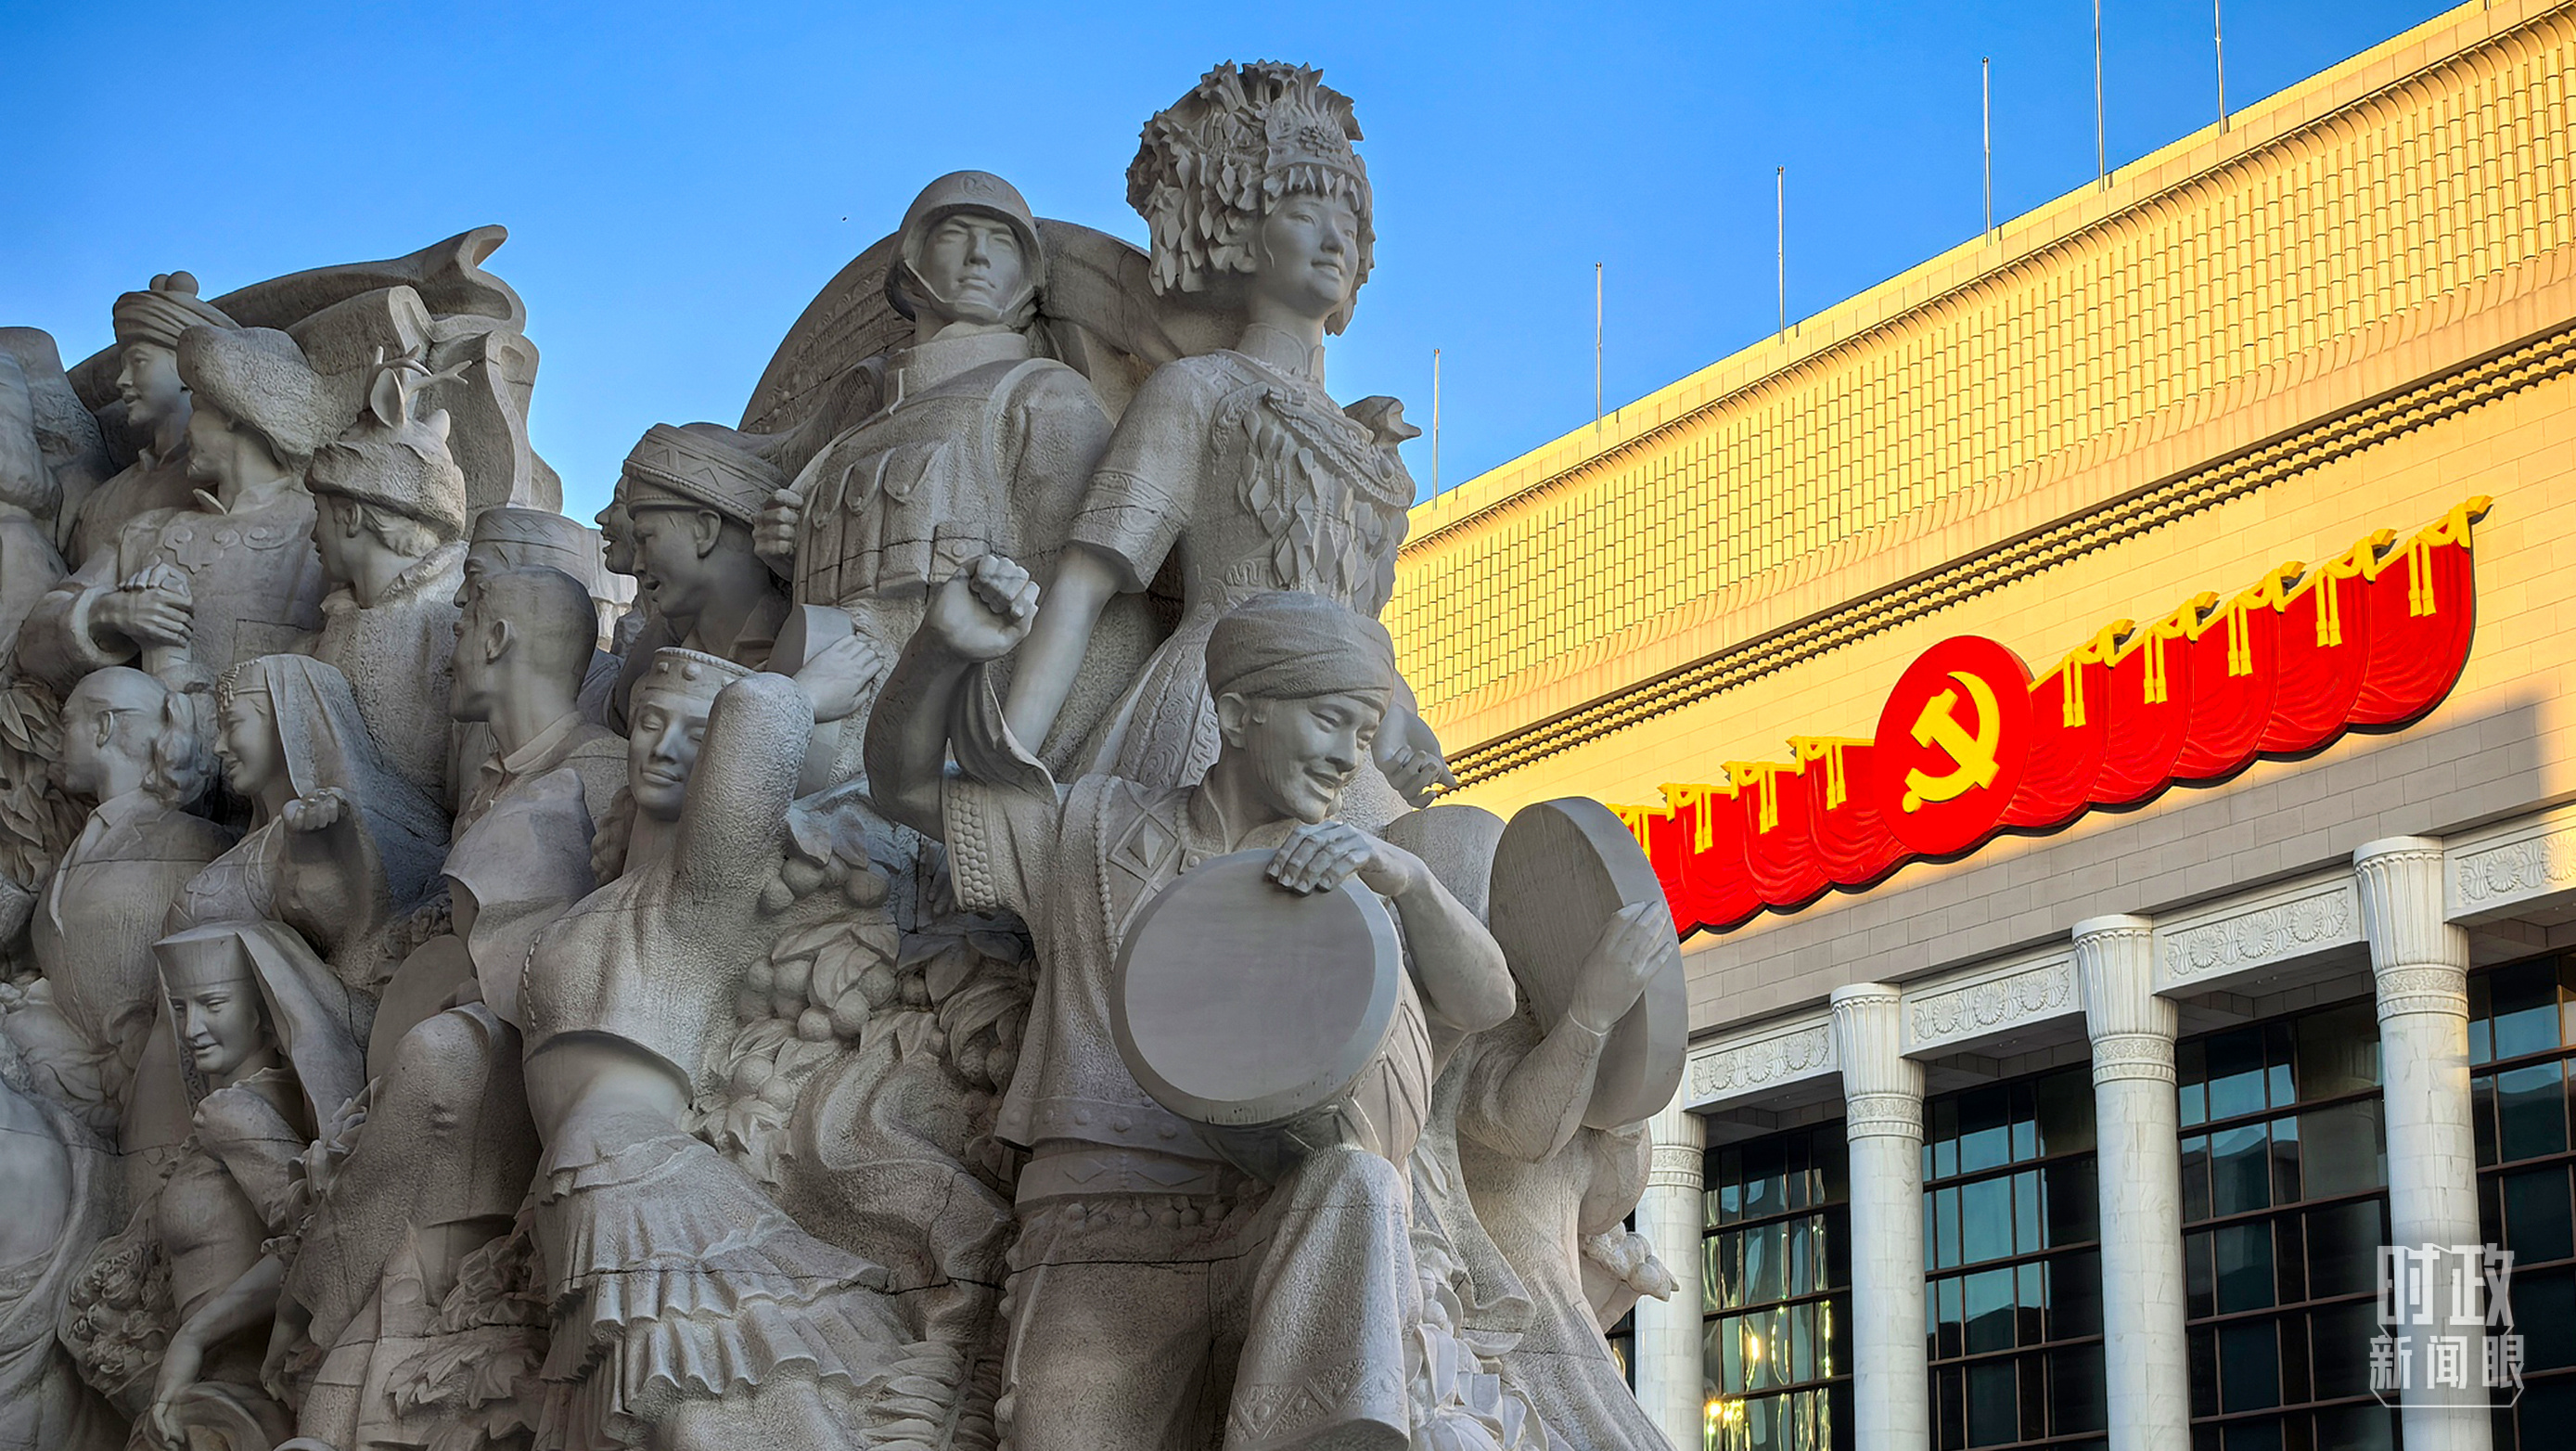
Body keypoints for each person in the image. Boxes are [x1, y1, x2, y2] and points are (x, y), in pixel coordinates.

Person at [867, 566, 1514, 1451]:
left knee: (1357, 1183)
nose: (1347, 757)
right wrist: (940, 652)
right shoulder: (1090, 828)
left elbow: (1485, 1000)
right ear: (1240, 715)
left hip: (1269, 1210)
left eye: (1365, 735)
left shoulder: (1350, 878)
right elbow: (903, 788)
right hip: (1101, 1228)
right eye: (1328, 721)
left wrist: (1410, 880)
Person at [998, 64, 1451, 820]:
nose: (1333, 240)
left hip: (1343, 731)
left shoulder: (1366, 448)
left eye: (1348, 224)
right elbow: (1082, 588)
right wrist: (1007, 762)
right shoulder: (1199, 389)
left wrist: (1398, 717)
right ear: (1243, 234)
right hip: (1219, 709)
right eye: (1303, 213)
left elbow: (1358, 624)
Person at [516, 636, 910, 1450]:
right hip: (587, 1175)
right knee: (677, 1406)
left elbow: (754, 733)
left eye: (698, 734)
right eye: (648, 722)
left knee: (706, 1407)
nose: (663, 748)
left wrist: (801, 695)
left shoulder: (699, 893)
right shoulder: (607, 901)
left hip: (628, 1168)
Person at [754, 173, 1112, 687]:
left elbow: (1081, 601)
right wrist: (793, 556)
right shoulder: (855, 431)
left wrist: (1004, 736)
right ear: (909, 269)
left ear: (1028, 280)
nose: (979, 256)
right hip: (825, 683)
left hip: (945, 701)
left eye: (1001, 242)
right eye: (954, 235)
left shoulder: (1043, 394)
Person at [1451, 903, 1679, 1451]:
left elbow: (1604, 1200)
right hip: (1503, 1297)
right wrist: (1589, 1017)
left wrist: (1624, 1107)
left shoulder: (1566, 1042)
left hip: (1555, 1308)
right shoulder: (1487, 1018)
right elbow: (1520, 1126)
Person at [19, 324, 334, 691]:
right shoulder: (146, 532)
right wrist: (109, 612)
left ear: (233, 414)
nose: (187, 429)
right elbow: (33, 644)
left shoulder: (319, 529)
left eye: (197, 409)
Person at [3, 668, 232, 1135]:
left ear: (103, 727)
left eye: (67, 722)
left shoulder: (190, 842)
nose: (58, 740)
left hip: (148, 1098)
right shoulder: (77, 846)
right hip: (59, 1074)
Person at [168, 655, 449, 990]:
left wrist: (318, 851)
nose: (219, 746)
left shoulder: (342, 823)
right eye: (219, 728)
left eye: (232, 724)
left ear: (286, 723)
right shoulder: (250, 844)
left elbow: (353, 930)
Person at [305, 349, 474, 801]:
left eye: (320, 514)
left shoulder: (451, 621)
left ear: (352, 515)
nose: (313, 534)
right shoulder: (340, 616)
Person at [60, 275, 237, 567]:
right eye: (123, 365)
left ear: (186, 367)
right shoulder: (102, 499)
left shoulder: (226, 480)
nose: (122, 380)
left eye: (138, 362)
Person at [450, 565, 624, 832]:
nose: (449, 663)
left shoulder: (603, 773)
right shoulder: (493, 776)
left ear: (496, 640)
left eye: (460, 634)